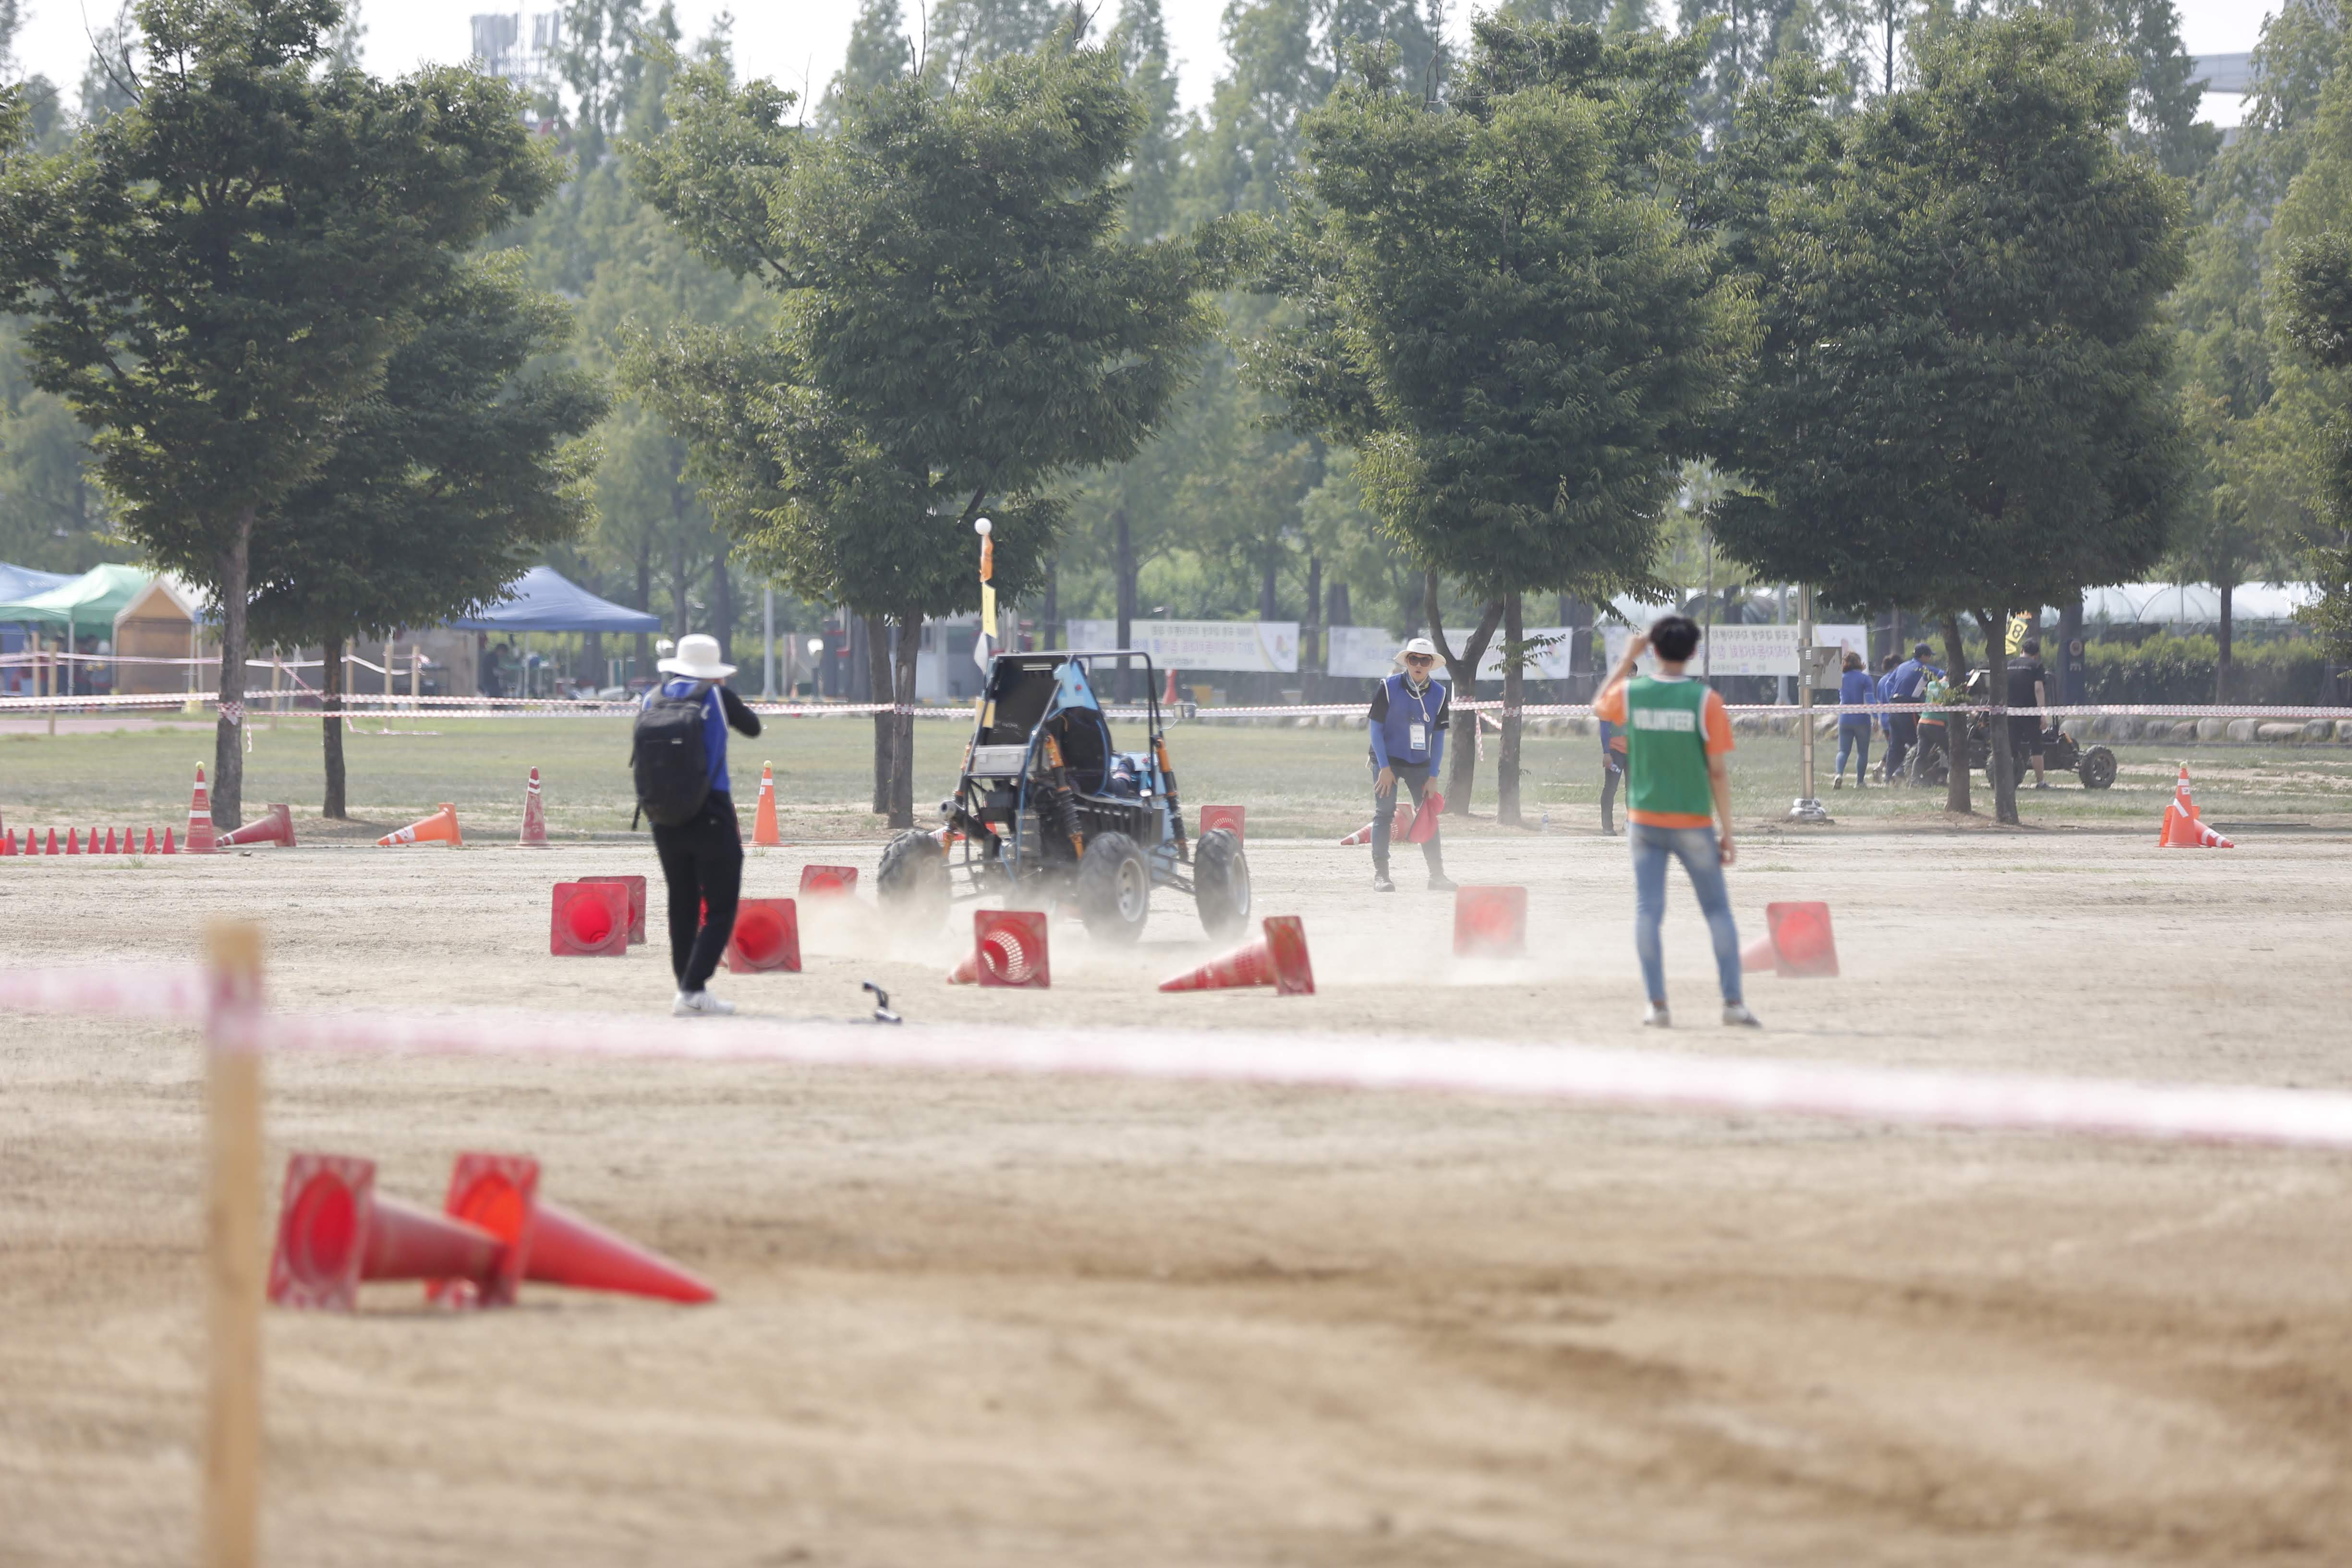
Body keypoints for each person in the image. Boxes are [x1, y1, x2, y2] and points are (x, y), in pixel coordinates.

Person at [1593, 615, 1759, 1029]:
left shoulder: (1632, 692)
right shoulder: (1706, 701)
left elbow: (1600, 706)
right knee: (1718, 911)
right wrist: (1728, 831)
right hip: (1693, 821)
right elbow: (1718, 773)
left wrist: (1627, 656)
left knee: (1649, 911)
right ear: (1693, 652)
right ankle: (1733, 1002)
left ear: (1653, 650)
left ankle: (1657, 1004)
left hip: (1645, 820)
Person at [643, 633, 762, 1016]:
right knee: (723, 905)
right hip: (711, 810)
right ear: (714, 670)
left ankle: (686, 986)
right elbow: (753, 727)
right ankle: (693, 988)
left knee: (683, 902)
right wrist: (722, 691)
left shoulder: (653, 698)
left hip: (662, 815)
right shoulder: (717, 697)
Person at [1365, 636, 1455, 893]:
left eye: (1424, 660)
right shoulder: (1388, 687)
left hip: (1419, 762)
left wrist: (1434, 776)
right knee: (1384, 812)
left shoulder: (1440, 694)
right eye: (1413, 659)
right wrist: (1384, 767)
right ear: (1407, 661)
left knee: (1428, 814)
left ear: (1431, 665)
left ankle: (1437, 876)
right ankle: (1382, 875)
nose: (1418, 664)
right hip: (1387, 759)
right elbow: (1375, 730)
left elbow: (1438, 738)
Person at [1884, 642, 1933, 779]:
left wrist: (1891, 700)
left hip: (1893, 706)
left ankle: (1889, 777)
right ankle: (1901, 773)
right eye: (1929, 656)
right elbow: (1946, 676)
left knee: (1895, 744)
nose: (1930, 659)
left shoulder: (1902, 666)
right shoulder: (1924, 669)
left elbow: (1889, 683)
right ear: (1924, 656)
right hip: (1908, 706)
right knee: (1916, 740)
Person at [2007, 636, 2049, 789]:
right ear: (2036, 655)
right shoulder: (2036, 666)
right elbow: (2038, 689)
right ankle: (2040, 782)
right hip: (2030, 713)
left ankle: (2007, 780)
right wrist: (2042, 714)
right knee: (2036, 746)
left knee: (2011, 748)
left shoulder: (2008, 665)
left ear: (2021, 650)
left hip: (2010, 712)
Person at [1834, 650, 1874, 789]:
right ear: (1859, 663)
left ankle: (1839, 774)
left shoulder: (1841, 678)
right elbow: (1870, 699)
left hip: (1844, 718)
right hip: (1862, 719)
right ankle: (1860, 782)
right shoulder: (1865, 679)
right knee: (1862, 752)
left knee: (1843, 751)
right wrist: (1876, 717)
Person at [1597, 712, 1628, 835]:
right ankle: (1608, 826)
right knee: (1610, 789)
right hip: (1615, 751)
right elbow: (1604, 727)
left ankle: (1631, 823)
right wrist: (1606, 753)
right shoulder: (1612, 700)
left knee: (1634, 790)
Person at [1872, 654, 1900, 779]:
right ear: (1896, 665)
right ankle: (1891, 774)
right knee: (1896, 747)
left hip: (1884, 719)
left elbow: (1879, 700)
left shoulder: (1882, 681)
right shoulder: (1895, 680)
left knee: (1892, 745)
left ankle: (1880, 767)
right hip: (1894, 718)